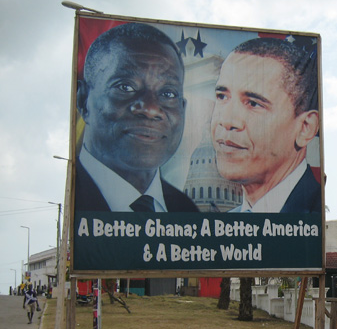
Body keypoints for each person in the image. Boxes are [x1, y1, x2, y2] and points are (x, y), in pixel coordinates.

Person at [75, 22, 198, 212]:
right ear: (83, 101)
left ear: (182, 108)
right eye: (125, 87)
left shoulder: (188, 213)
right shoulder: (76, 198)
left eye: (168, 94)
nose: (150, 109)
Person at [210, 37, 321, 213]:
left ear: (305, 127)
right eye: (222, 97)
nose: (227, 121)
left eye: (253, 103)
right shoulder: (224, 226)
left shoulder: (313, 215)